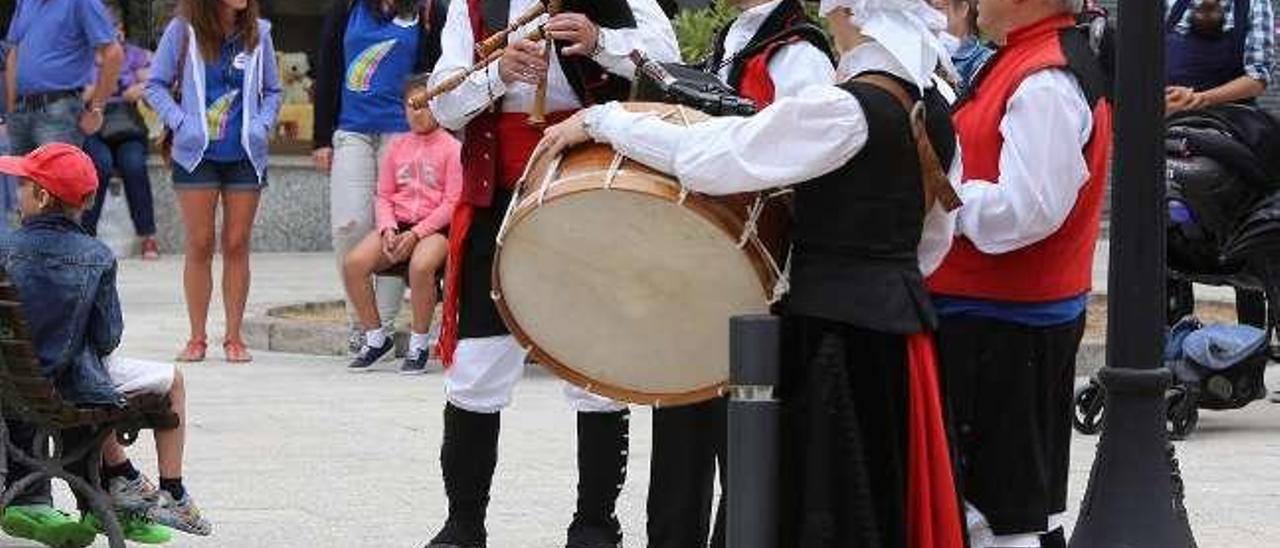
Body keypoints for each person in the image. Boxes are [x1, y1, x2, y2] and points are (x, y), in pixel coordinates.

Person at [538, 0, 966, 545]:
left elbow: (715, 157)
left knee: (826, 507)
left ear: (854, 15)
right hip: (901, 332)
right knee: (881, 502)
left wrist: (606, 120)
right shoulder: (933, 108)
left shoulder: (843, 109)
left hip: (833, 340)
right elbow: (933, 239)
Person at [424, 1, 678, 546]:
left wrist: (600, 39)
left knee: (595, 369)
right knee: (476, 366)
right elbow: (444, 106)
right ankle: (463, 524)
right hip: (499, 197)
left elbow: (668, 63)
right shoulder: (471, 5)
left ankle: (595, 525)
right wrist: (497, 74)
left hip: (591, 191)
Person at [643, 1, 832, 546]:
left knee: (745, 447)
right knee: (680, 439)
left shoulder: (799, 54)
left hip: (757, 275)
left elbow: (800, 161)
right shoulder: (733, 38)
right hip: (699, 270)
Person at [924, 0, 1113, 543]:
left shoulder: (1045, 80)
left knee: (1002, 516)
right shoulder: (1023, 61)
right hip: (997, 320)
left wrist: (938, 195)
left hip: (1003, 326)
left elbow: (1026, 211)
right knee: (1003, 507)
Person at [0, 143, 207, 545]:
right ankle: (172, 490)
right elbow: (107, 337)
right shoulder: (96, 256)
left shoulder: (4, 249)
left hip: (10, 381)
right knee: (173, 380)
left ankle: (125, 479)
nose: (16, 190)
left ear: (41, 197)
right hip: (70, 385)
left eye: (23, 184)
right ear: (88, 200)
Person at [1, 0, 123, 541]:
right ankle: (115, 489)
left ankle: (36, 495)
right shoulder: (26, 3)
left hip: (57, 107)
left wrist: (95, 103)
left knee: (38, 240)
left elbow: (110, 50)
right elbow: (13, 56)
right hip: (24, 108)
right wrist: (9, 109)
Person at [145, 0, 282, 364]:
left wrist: (261, 125)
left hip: (245, 156)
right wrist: (181, 123)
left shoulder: (260, 33)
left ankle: (234, 338)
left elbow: (273, 90)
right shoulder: (183, 30)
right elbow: (155, 85)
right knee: (200, 242)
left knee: (237, 243)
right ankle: (197, 337)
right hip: (196, 155)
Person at [314, 0, 450, 356]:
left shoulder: (425, 11)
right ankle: (359, 320)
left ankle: (382, 329)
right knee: (350, 224)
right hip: (351, 130)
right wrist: (319, 137)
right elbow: (328, 70)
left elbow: (433, 74)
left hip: (402, 134)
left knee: (394, 226)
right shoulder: (347, 9)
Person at [1163, 0, 1275, 332]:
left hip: (1234, 127)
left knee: (1244, 232)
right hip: (1172, 124)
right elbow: (1145, 61)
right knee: (1169, 241)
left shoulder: (1255, 4)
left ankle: (1251, 345)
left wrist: (1201, 98)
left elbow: (1258, 76)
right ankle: (1173, 341)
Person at [343, 73, 461, 375]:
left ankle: (419, 343)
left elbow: (451, 203)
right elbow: (383, 194)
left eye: (425, 105)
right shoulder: (397, 146)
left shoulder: (451, 148)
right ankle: (376, 337)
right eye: (412, 105)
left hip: (435, 229)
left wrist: (417, 233)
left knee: (421, 266)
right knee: (354, 263)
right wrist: (388, 228)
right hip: (399, 223)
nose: (417, 112)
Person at [82, 4, 160, 259]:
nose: (114, 34)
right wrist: (105, 78)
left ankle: (148, 236)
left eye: (116, 28)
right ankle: (86, 236)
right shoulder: (83, 55)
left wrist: (139, 88)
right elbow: (80, 94)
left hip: (126, 124)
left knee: (134, 165)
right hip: (94, 124)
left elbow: (155, 79)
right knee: (99, 166)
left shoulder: (134, 54)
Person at [3, 0, 122, 155]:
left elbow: (113, 53)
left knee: (55, 176)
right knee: (23, 177)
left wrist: (97, 108)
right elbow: (13, 52)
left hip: (59, 109)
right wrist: (11, 109)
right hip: (21, 109)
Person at [935, 0, 994, 90]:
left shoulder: (986, 63)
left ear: (963, 8)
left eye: (938, 8)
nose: (929, 17)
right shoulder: (920, 53)